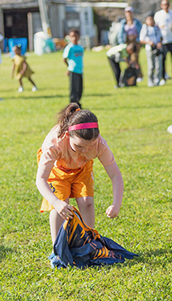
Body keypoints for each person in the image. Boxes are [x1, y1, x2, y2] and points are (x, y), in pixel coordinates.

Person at [35, 104, 124, 268]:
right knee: (61, 206)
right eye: (79, 146)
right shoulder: (54, 143)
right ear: (68, 135)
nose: (85, 150)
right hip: (57, 170)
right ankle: (58, 252)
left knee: (87, 202)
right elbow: (40, 179)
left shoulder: (99, 145)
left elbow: (115, 175)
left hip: (82, 169)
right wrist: (56, 202)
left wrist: (116, 204)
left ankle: (89, 247)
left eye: (90, 146)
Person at [154, 0, 172, 85]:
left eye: (167, 4)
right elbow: (155, 27)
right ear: (161, 6)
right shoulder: (158, 14)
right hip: (163, 40)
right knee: (163, 60)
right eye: (164, 4)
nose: (166, 6)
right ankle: (163, 78)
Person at [139, 13, 163, 87]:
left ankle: (157, 80)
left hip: (158, 48)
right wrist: (149, 42)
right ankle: (150, 80)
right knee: (151, 65)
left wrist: (159, 43)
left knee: (158, 65)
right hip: (149, 49)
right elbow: (141, 39)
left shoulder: (156, 28)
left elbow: (161, 37)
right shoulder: (145, 28)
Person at [63, 29, 85, 106]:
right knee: (73, 88)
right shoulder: (69, 47)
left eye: (76, 36)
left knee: (80, 88)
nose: (74, 38)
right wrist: (69, 68)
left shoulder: (80, 47)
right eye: (72, 36)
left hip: (80, 70)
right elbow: (64, 59)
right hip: (73, 70)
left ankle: (78, 102)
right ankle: (73, 104)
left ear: (79, 37)